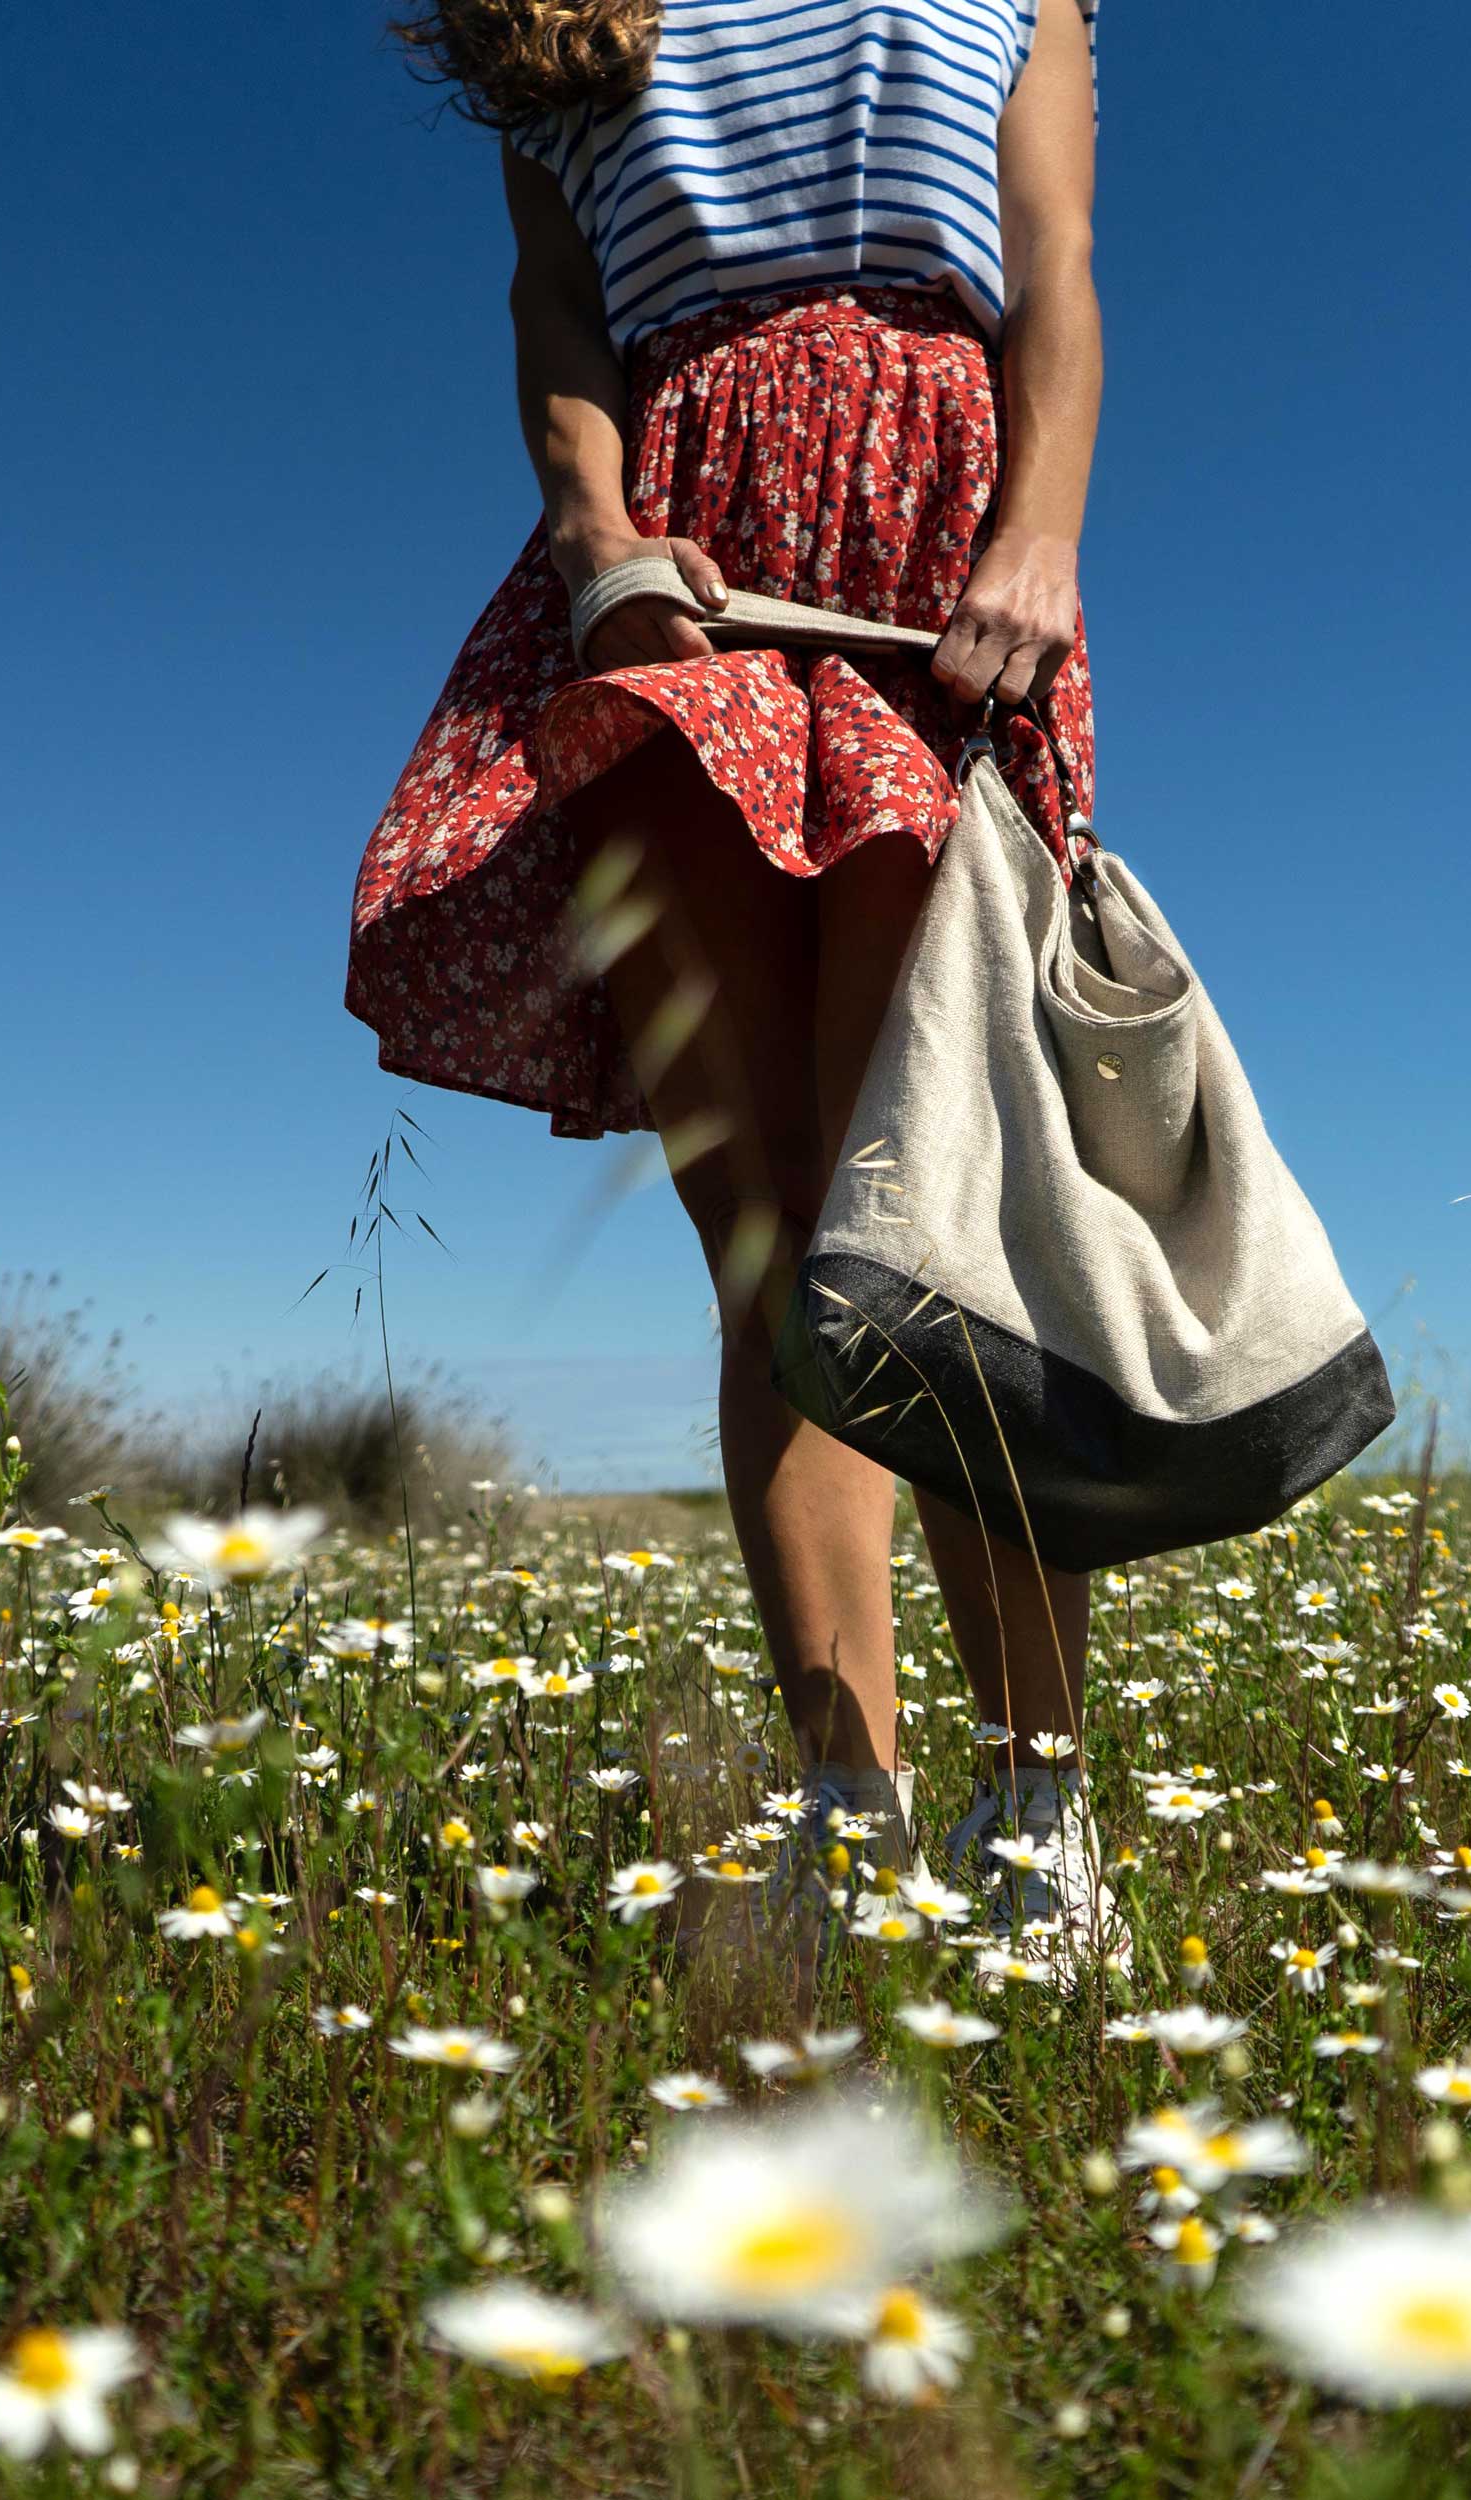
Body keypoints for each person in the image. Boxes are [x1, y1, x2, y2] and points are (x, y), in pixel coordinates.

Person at [347, 0, 1120, 1970]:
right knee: (774, 1247)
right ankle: (844, 1824)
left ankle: (1041, 1816)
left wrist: (1037, 534)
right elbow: (556, 308)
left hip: (935, 536)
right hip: (670, 571)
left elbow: (1055, 271)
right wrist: (600, 537)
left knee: (933, 1217)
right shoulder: (548, 13)